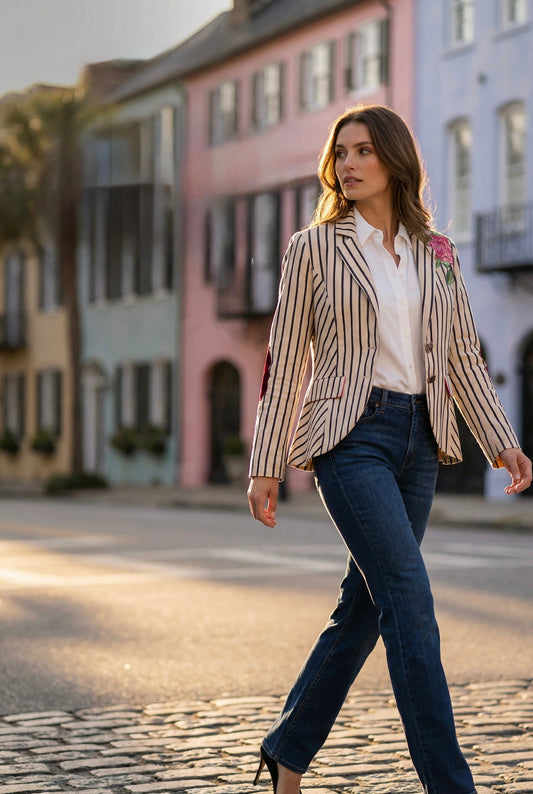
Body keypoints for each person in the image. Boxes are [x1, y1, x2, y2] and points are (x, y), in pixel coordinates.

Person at [247, 104, 532, 794]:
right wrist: (264, 463)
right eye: (340, 152)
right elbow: (286, 360)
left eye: (363, 151)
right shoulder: (314, 248)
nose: (347, 164)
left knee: (364, 608)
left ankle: (285, 753)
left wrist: (501, 441)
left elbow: (461, 354)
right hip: (351, 437)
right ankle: (449, 786)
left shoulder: (436, 252)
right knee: (407, 598)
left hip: (422, 442)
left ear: (395, 161)